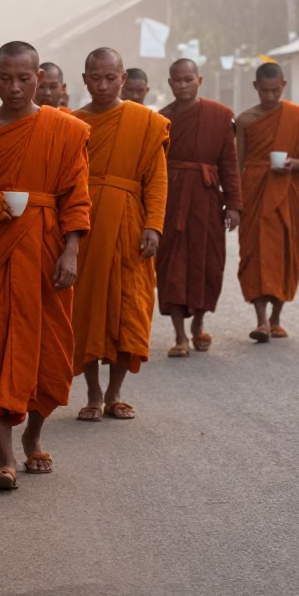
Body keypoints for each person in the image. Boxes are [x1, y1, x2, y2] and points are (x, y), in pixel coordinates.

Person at [0, 41, 91, 489]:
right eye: (6, 78)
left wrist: (72, 250)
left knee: (50, 353)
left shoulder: (65, 129)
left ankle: (34, 437)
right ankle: (3, 458)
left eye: (25, 78)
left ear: (39, 77)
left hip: (47, 249)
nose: (15, 87)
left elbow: (76, 196)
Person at [71, 47, 168, 421]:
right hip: (86, 225)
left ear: (124, 79)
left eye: (111, 78)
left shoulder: (144, 122)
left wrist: (153, 225)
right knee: (88, 307)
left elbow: (156, 180)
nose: (103, 85)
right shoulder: (73, 123)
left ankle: (116, 392)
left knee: (130, 309)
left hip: (130, 224)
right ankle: (94, 392)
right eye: (95, 78)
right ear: (84, 80)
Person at [157, 59, 241, 356]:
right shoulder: (161, 119)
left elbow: (229, 163)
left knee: (207, 261)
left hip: (206, 200)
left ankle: (199, 324)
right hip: (171, 199)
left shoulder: (220, 116)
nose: (182, 85)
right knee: (172, 263)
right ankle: (180, 335)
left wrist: (234, 204)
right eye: (177, 80)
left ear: (199, 81)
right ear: (169, 83)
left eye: (188, 80)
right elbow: (153, 168)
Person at [235, 61, 299, 342]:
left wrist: (294, 164)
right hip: (255, 191)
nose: (271, 96)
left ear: (283, 85)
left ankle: (275, 318)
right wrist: (233, 201)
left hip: (286, 193)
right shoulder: (245, 121)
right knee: (255, 254)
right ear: (255, 87)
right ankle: (261, 321)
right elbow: (237, 164)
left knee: (287, 252)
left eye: (275, 90)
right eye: (265, 91)